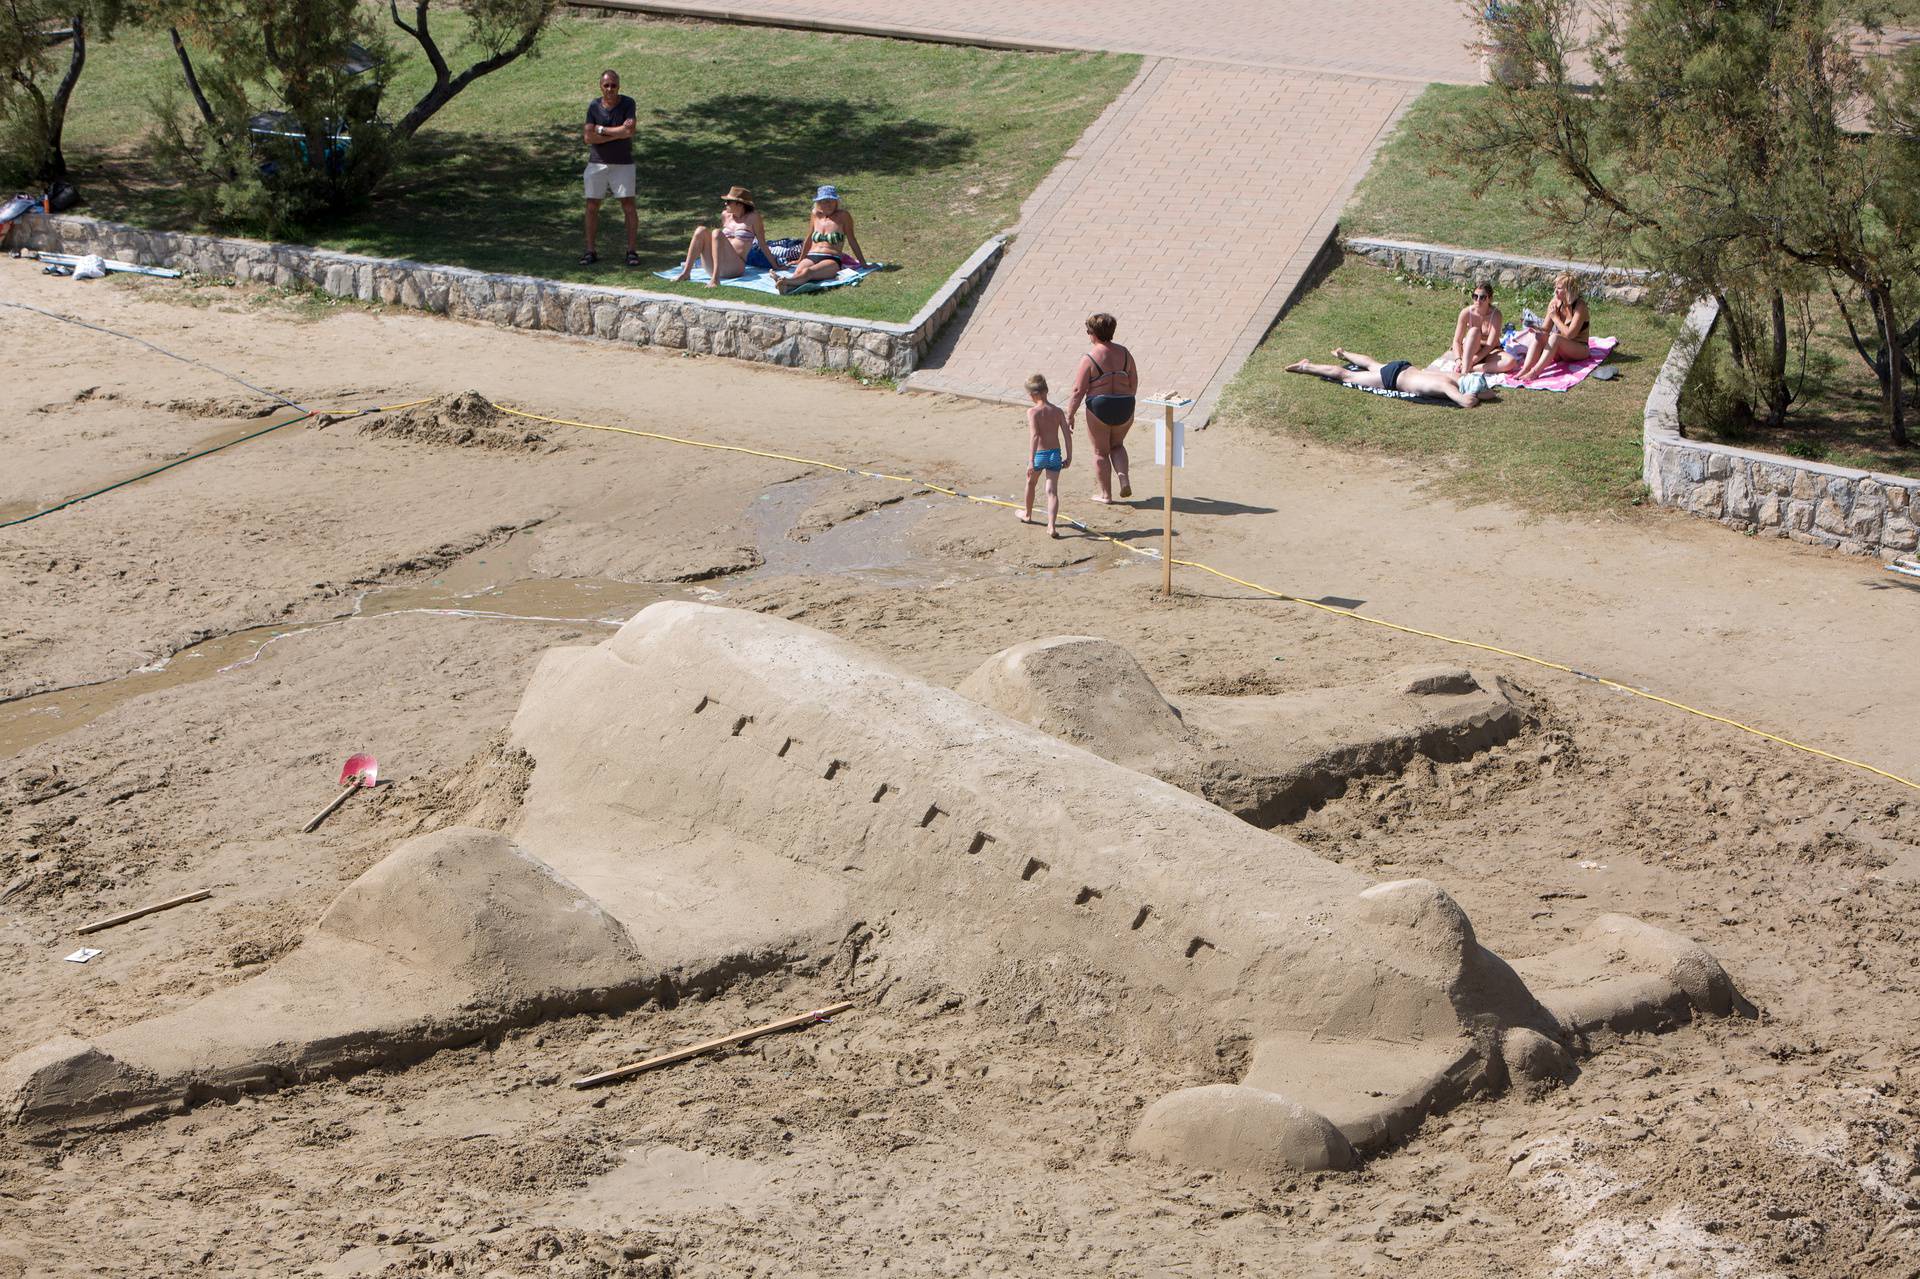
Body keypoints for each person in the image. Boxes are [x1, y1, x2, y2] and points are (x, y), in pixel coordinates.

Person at [1064, 312, 1137, 504]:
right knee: (1117, 445)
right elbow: (1134, 382)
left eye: (1088, 331)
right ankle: (1124, 479)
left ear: (1093, 334)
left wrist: (1069, 415)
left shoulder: (1090, 358)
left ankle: (1106, 494)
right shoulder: (1125, 353)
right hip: (1125, 404)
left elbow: (1078, 390)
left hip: (1100, 407)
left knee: (1100, 452)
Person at [1285, 348, 1483, 407]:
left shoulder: (1455, 376)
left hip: (1403, 366)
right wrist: (1470, 398)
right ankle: (1306, 367)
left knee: (1373, 364)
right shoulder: (1448, 385)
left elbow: (1475, 384)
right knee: (1346, 375)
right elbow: (1465, 401)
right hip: (1393, 380)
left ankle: (1343, 353)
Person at [581, 69, 639, 268]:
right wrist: (618, 133)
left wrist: (602, 131)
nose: (610, 89)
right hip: (597, 162)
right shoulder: (594, 106)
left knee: (628, 206)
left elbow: (630, 130)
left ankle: (631, 251)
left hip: (623, 163)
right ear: (600, 86)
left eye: (613, 85)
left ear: (619, 86)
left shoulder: (628, 103)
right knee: (591, 206)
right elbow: (588, 137)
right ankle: (590, 250)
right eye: (606, 85)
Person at [670, 186, 778, 287]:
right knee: (700, 230)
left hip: (735, 267)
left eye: (729, 201)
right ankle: (686, 273)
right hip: (715, 263)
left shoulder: (754, 218)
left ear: (740, 204)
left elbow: (762, 244)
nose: (725, 203)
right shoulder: (725, 215)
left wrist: (776, 266)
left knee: (716, 232)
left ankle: (716, 279)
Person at [775, 185, 867, 294]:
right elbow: (809, 238)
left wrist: (863, 263)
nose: (828, 204)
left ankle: (784, 280)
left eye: (831, 200)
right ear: (818, 203)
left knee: (808, 272)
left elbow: (852, 240)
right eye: (824, 201)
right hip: (812, 255)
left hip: (831, 258)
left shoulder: (843, 216)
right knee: (799, 272)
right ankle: (786, 287)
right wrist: (800, 259)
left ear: (836, 202)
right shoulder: (815, 214)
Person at [1018, 373, 1073, 538]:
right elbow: (1067, 434)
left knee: (1031, 482)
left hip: (1040, 455)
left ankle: (1027, 514)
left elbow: (1034, 436)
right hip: (1055, 454)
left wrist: (1030, 461)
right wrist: (1069, 456)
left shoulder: (1033, 412)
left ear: (1032, 395)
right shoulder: (1057, 411)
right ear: (1047, 390)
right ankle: (1051, 526)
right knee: (1052, 492)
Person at [1513, 271, 1591, 382]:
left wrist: (1555, 317)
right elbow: (1545, 329)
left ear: (1568, 290)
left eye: (1559, 288)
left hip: (1579, 349)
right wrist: (1534, 326)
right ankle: (1525, 369)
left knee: (1555, 337)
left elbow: (1570, 334)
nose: (1555, 291)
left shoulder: (1580, 306)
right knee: (1540, 335)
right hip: (1561, 351)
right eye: (1556, 287)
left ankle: (1534, 373)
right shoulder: (1555, 302)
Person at [1450, 280, 1516, 374]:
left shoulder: (1496, 315)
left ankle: (1470, 368)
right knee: (1474, 331)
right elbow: (1457, 340)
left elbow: (1490, 345)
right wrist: (1458, 360)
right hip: (1472, 349)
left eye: (1482, 297)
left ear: (1490, 299)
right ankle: (1463, 373)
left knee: (1511, 362)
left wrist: (1473, 360)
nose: (1478, 300)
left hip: (1490, 351)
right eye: (1475, 296)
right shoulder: (1466, 313)